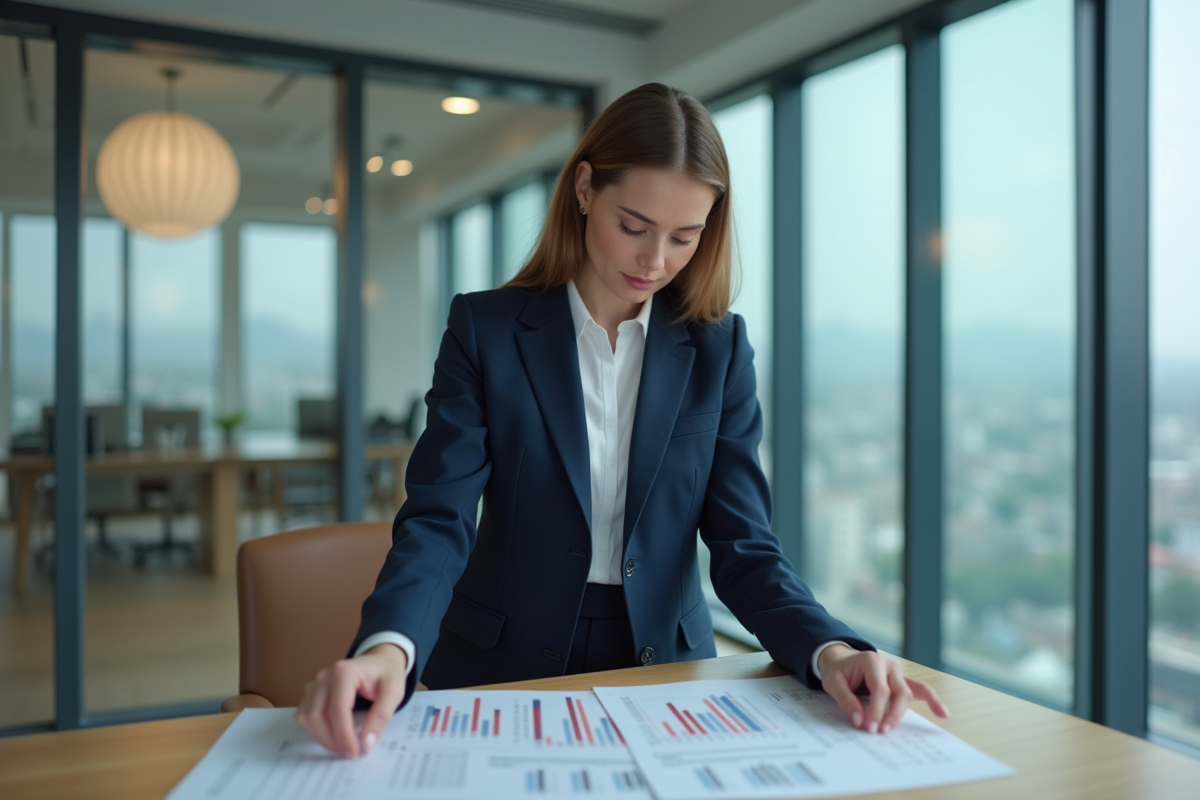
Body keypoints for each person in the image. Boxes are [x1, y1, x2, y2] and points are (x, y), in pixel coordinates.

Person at [296, 82, 948, 758]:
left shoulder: (719, 350)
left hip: (666, 666)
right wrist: (388, 650)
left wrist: (831, 648)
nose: (655, 260)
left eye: (684, 237)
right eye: (633, 226)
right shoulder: (484, 330)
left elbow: (745, 544)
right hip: (500, 663)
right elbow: (439, 518)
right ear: (584, 188)